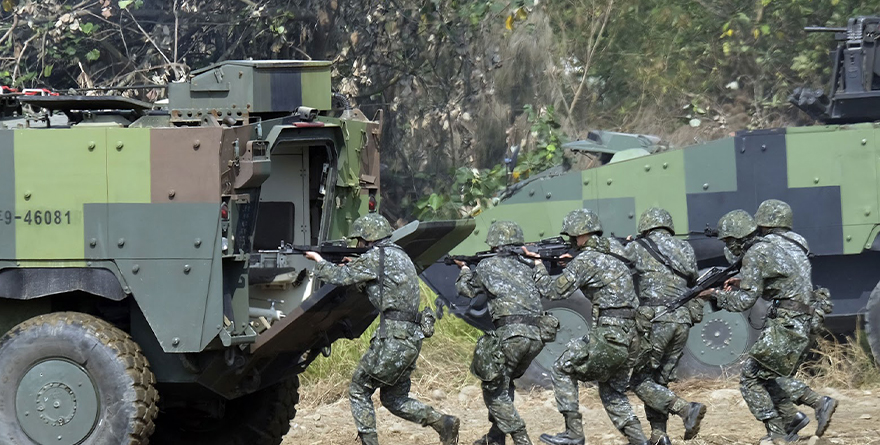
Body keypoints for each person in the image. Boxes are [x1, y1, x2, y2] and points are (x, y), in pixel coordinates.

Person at [305, 213, 460, 445]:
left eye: (359, 241)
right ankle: (443, 423)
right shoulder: (399, 255)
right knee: (393, 398)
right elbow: (379, 286)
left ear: (368, 239)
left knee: (359, 389)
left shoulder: (376, 257)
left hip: (394, 339)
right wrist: (353, 264)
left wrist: (318, 261)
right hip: (410, 337)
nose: (358, 245)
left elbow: (339, 277)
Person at [526, 209, 649, 445]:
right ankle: (640, 441)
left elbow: (552, 291)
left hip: (610, 333)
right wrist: (571, 265)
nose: (571, 241)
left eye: (573, 236)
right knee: (613, 392)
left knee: (562, 368)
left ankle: (574, 434)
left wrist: (538, 266)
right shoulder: (612, 254)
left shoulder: (585, 261)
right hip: (632, 335)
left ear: (582, 234)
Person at [700, 210, 814, 444]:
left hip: (786, 321)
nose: (728, 247)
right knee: (765, 376)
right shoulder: (768, 247)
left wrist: (714, 294)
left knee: (751, 379)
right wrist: (742, 281)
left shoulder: (755, 253)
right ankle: (793, 420)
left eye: (728, 241)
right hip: (794, 318)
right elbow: (774, 277)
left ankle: (778, 433)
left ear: (738, 238)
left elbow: (744, 301)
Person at [454, 221, 548, 445]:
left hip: (512, 335)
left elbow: (467, 290)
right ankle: (496, 438)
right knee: (505, 383)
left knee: (494, 390)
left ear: (494, 244)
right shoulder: (527, 267)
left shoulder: (487, 266)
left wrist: (465, 269)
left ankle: (521, 438)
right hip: (536, 336)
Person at [755, 199, 837, 438]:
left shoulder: (767, 246)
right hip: (804, 318)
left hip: (787, 319)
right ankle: (787, 428)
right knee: (771, 374)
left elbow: (755, 287)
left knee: (757, 375)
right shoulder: (797, 242)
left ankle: (817, 403)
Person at [624, 208, 707, 444]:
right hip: (682, 320)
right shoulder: (685, 248)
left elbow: (620, 267)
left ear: (645, 227)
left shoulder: (638, 246)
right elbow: (692, 279)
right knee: (658, 381)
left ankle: (684, 409)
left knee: (639, 381)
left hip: (656, 319)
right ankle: (659, 435)